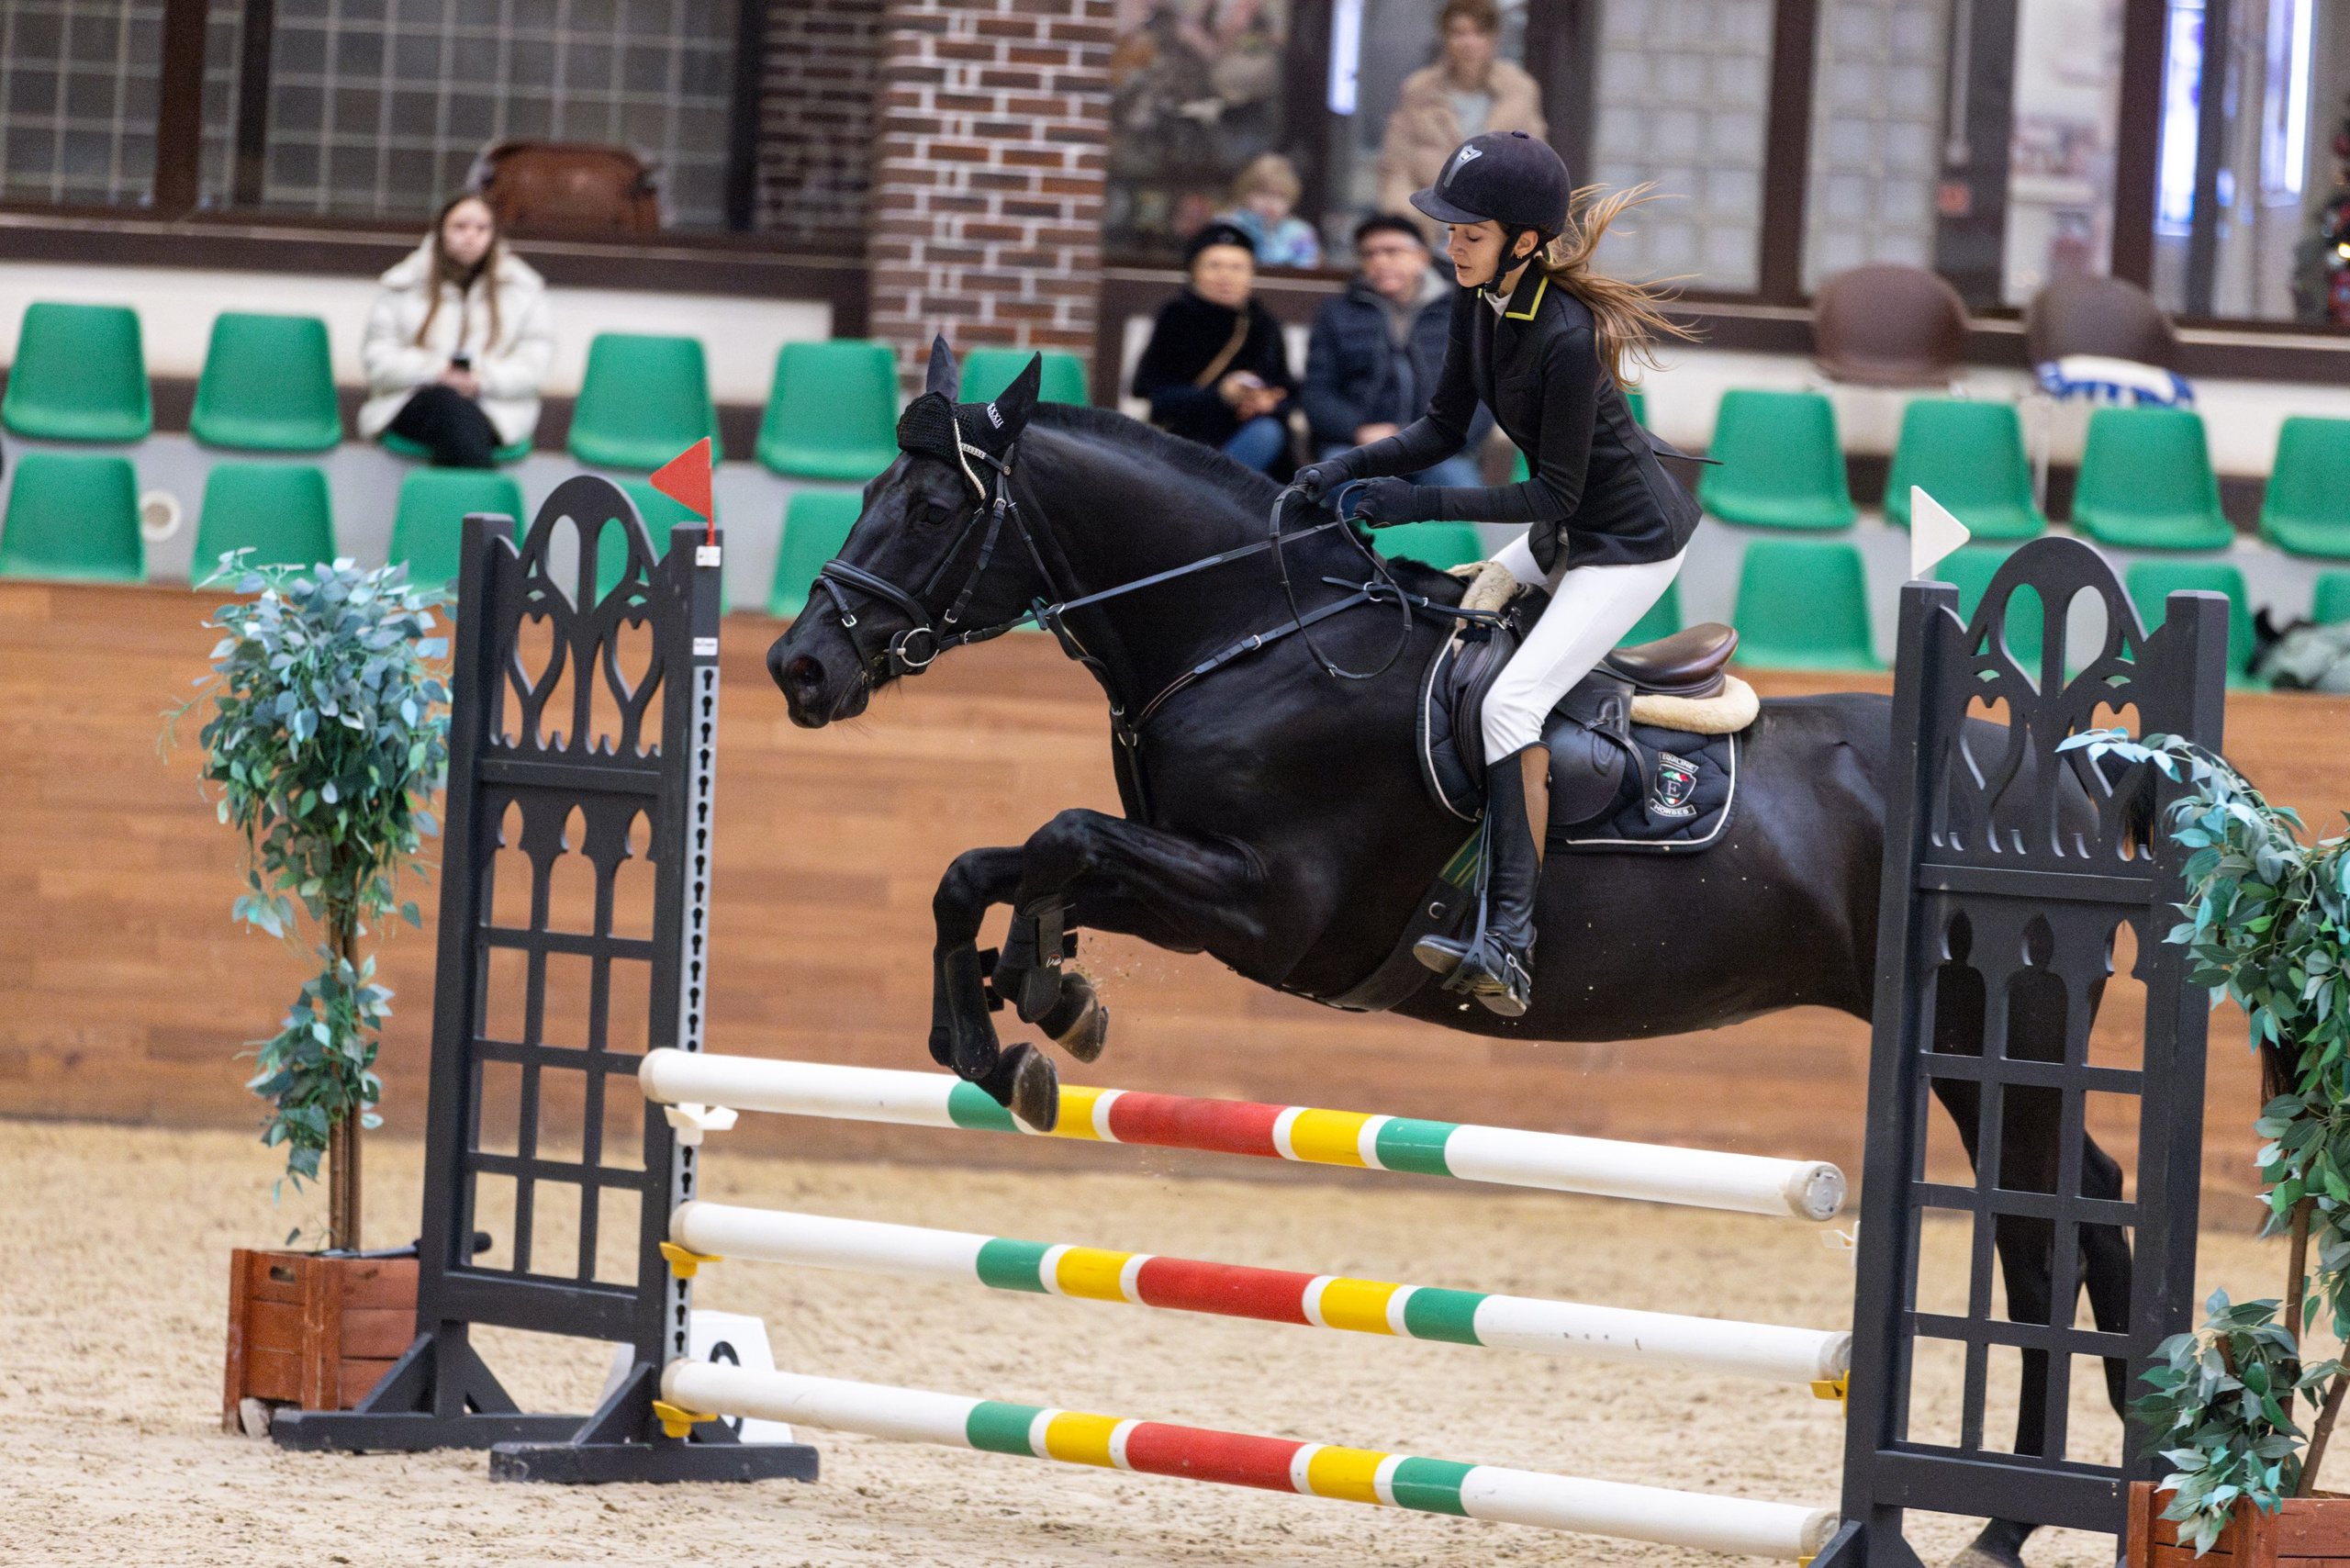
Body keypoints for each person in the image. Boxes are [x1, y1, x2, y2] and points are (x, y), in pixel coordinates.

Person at [1293, 130, 1698, 1018]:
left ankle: (1509, 938)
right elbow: (1441, 430)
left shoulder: (1564, 334)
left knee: (1512, 703)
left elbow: (1555, 494)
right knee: (1459, 628)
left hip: (1625, 543)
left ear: (1522, 240)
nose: (1450, 247)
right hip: (1567, 532)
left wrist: (1417, 508)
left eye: (1466, 233)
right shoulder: (1479, 308)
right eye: (1448, 230)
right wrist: (1339, 469)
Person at [359, 193, 554, 467]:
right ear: (441, 231)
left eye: (481, 228)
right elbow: (377, 359)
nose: (470, 236)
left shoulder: (523, 290)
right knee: (448, 406)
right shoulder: (403, 283)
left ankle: (456, 504)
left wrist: (480, 380)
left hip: (494, 409)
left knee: (460, 421)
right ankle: (482, 503)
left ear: (494, 234)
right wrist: (437, 373)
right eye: (460, 227)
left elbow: (534, 365)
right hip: (414, 403)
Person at [1302, 214, 1485, 487]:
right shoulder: (1337, 313)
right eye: (1370, 254)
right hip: (1359, 447)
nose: (1380, 261)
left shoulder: (1461, 311)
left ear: (1421, 257)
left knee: (1461, 491)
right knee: (1337, 485)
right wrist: (1358, 431)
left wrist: (1431, 438)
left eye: (1392, 251)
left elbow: (1483, 396)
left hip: (1439, 450)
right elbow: (1317, 392)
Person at [1131, 221, 1297, 473]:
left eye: (1237, 267)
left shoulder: (1263, 323)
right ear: (1194, 272)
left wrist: (1267, 402)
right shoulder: (1176, 318)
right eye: (1214, 266)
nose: (1226, 276)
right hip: (1189, 444)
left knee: (1268, 433)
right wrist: (1220, 396)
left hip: (1255, 442)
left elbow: (1289, 391)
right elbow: (1154, 394)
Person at [1377, 0, 1547, 246]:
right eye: (1459, 33)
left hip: (1498, 233)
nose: (1469, 43)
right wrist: (1413, 224)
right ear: (1445, 37)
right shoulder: (1418, 90)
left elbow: (1536, 171)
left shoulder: (1519, 90)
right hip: (1427, 231)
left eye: (1479, 33)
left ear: (1493, 37)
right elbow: (1394, 171)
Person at [1218, 153, 1322, 269]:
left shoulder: (1300, 233)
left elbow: (1306, 273)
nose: (1270, 203)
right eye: (1263, 193)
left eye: (1279, 196)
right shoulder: (1226, 225)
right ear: (1245, 192)